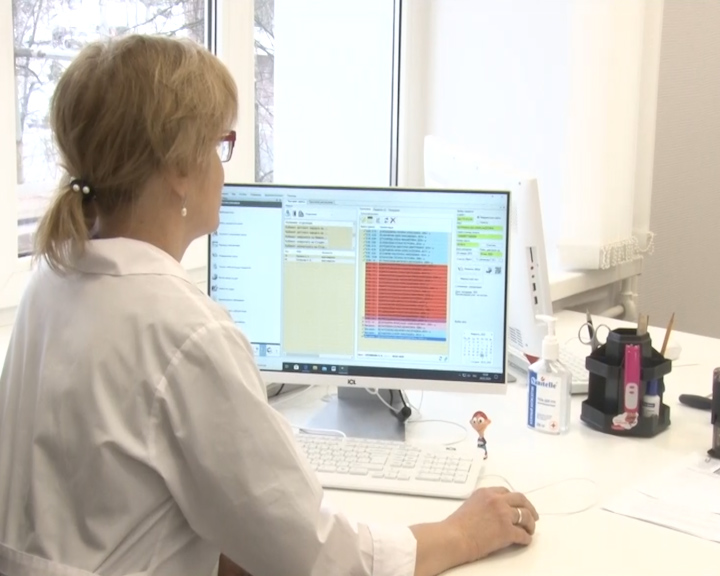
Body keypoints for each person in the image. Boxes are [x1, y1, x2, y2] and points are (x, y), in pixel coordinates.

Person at [0, 35, 538, 576]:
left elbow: (126, 509)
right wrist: (464, 533)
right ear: (179, 168)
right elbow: (320, 558)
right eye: (219, 145)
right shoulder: (181, 330)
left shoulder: (54, 277)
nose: (222, 169)